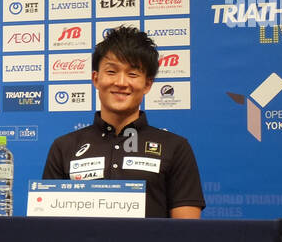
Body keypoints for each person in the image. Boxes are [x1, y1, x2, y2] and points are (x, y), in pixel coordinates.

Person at [42, 25, 204, 218]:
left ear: (147, 84)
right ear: (95, 79)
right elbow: (49, 226)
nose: (121, 82)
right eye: (111, 72)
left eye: (133, 74)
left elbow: (186, 233)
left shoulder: (175, 147)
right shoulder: (64, 147)